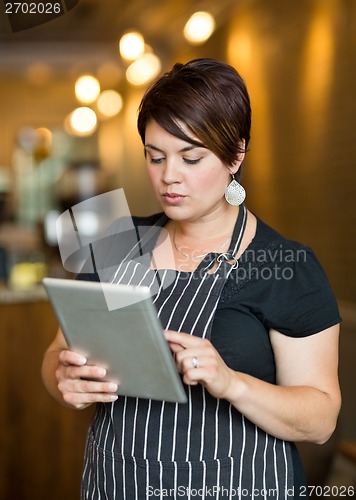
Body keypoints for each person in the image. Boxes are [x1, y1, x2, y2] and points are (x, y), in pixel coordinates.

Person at [42, 58, 341, 499]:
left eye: (192, 157)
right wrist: (63, 382)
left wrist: (232, 383)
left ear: (235, 155)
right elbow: (57, 355)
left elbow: (321, 419)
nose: (169, 177)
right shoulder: (118, 241)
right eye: (155, 156)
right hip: (118, 482)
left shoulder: (287, 266)